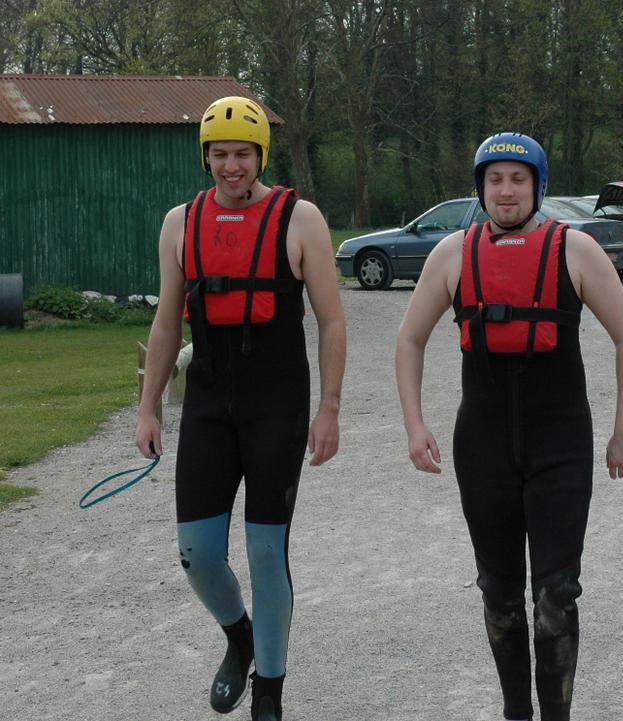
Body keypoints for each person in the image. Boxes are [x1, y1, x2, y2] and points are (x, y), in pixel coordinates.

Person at [395, 132, 623, 721]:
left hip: (559, 445)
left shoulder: (575, 251)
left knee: (555, 593)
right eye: (495, 179)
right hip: (482, 448)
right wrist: (414, 423)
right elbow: (409, 338)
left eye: (519, 178)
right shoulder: (452, 254)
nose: (506, 190)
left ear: (538, 186)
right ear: (480, 188)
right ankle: (516, 714)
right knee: (499, 593)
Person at [134, 96, 346, 721]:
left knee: (263, 551)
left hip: (276, 400)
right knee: (197, 553)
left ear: (261, 157)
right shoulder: (180, 223)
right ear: (206, 157)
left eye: (243, 154)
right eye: (220, 154)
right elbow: (168, 324)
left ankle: (270, 689)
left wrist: (329, 408)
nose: (232, 166)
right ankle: (240, 636)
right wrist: (148, 410)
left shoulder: (300, 220)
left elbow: (332, 323)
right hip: (207, 402)